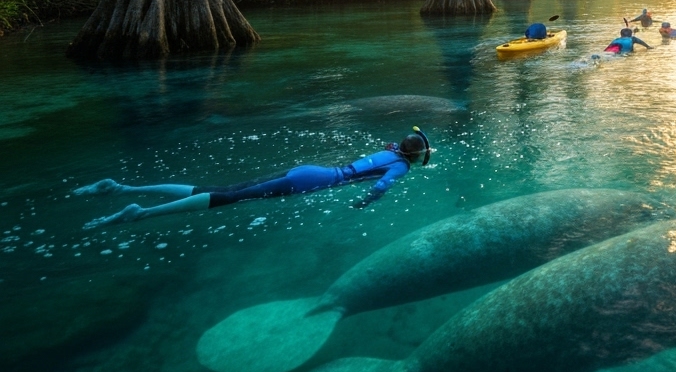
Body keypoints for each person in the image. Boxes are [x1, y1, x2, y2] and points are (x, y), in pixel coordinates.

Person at [76, 127, 433, 230]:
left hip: (309, 170)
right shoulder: (400, 166)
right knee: (232, 197)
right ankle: (141, 213)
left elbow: (387, 156)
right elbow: (382, 185)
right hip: (309, 182)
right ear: (415, 155)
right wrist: (364, 204)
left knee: (222, 188)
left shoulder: (390, 149)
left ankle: (123, 188)